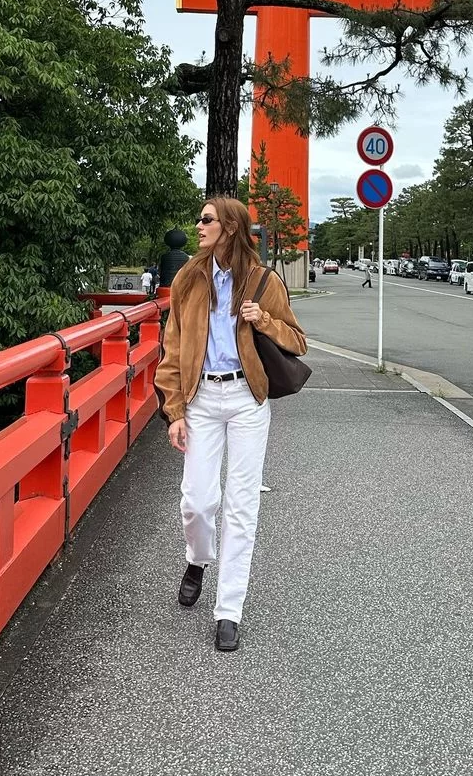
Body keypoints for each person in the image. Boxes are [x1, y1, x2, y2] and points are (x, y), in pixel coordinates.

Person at [154, 197, 306, 652]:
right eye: (200, 220)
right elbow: (173, 349)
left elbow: (298, 340)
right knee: (198, 501)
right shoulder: (188, 280)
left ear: (231, 228)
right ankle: (198, 558)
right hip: (201, 397)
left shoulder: (264, 281)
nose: (198, 226)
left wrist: (265, 321)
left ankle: (229, 610)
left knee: (241, 505)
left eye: (207, 220)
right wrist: (175, 411)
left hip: (246, 398)